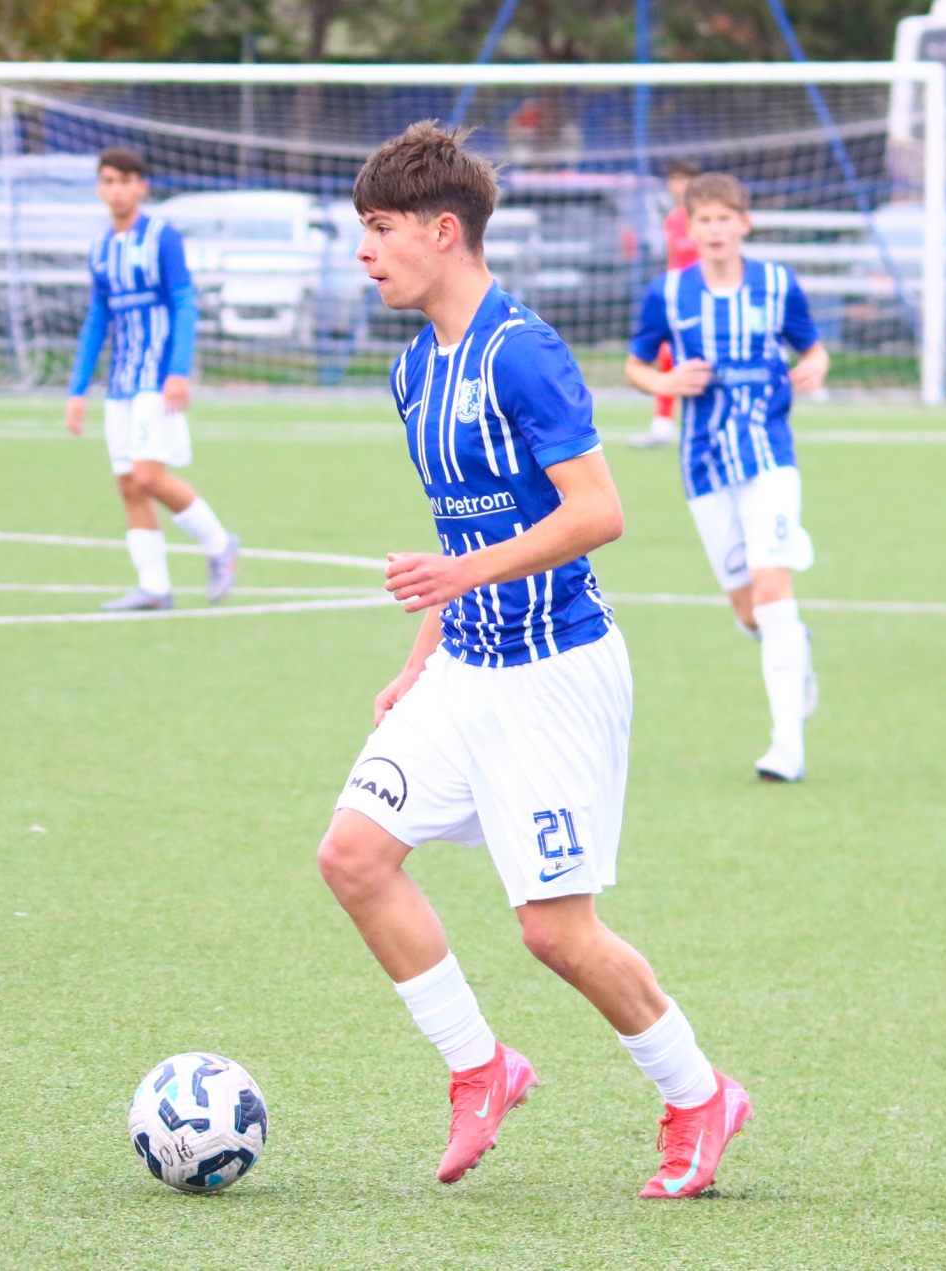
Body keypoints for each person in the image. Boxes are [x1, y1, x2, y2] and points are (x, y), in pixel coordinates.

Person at [319, 122, 750, 1200]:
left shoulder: (524, 350)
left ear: (442, 230)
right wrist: (419, 657)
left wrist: (459, 579)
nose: (363, 251)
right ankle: (482, 1066)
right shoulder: (414, 370)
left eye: (379, 229)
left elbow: (599, 511)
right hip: (462, 665)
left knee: (555, 932)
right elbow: (462, 533)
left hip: (555, 670)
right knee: (354, 856)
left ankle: (699, 1093)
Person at [625, 172, 828, 783]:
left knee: (772, 586)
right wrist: (664, 382)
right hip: (704, 463)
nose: (714, 230)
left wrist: (814, 367)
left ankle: (787, 747)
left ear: (744, 223)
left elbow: (813, 348)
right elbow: (637, 365)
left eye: (724, 219)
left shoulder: (777, 285)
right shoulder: (668, 293)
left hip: (768, 456)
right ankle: (796, 650)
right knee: (747, 609)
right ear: (690, 227)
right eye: (704, 220)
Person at [64, 148, 239, 611]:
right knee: (128, 484)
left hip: (155, 378)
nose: (116, 190)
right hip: (120, 381)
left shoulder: (161, 236)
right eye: (108, 181)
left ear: (141, 186)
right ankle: (155, 588)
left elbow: (184, 303)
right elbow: (97, 319)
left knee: (148, 475)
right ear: (99, 188)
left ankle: (220, 544)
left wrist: (177, 371)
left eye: (125, 181)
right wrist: (77, 390)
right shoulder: (101, 248)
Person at [629, 159, 701, 449]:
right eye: (675, 180)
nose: (679, 186)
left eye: (685, 179)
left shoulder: (704, 218)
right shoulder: (672, 219)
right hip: (678, 300)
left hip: (703, 300)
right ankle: (662, 425)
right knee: (666, 354)